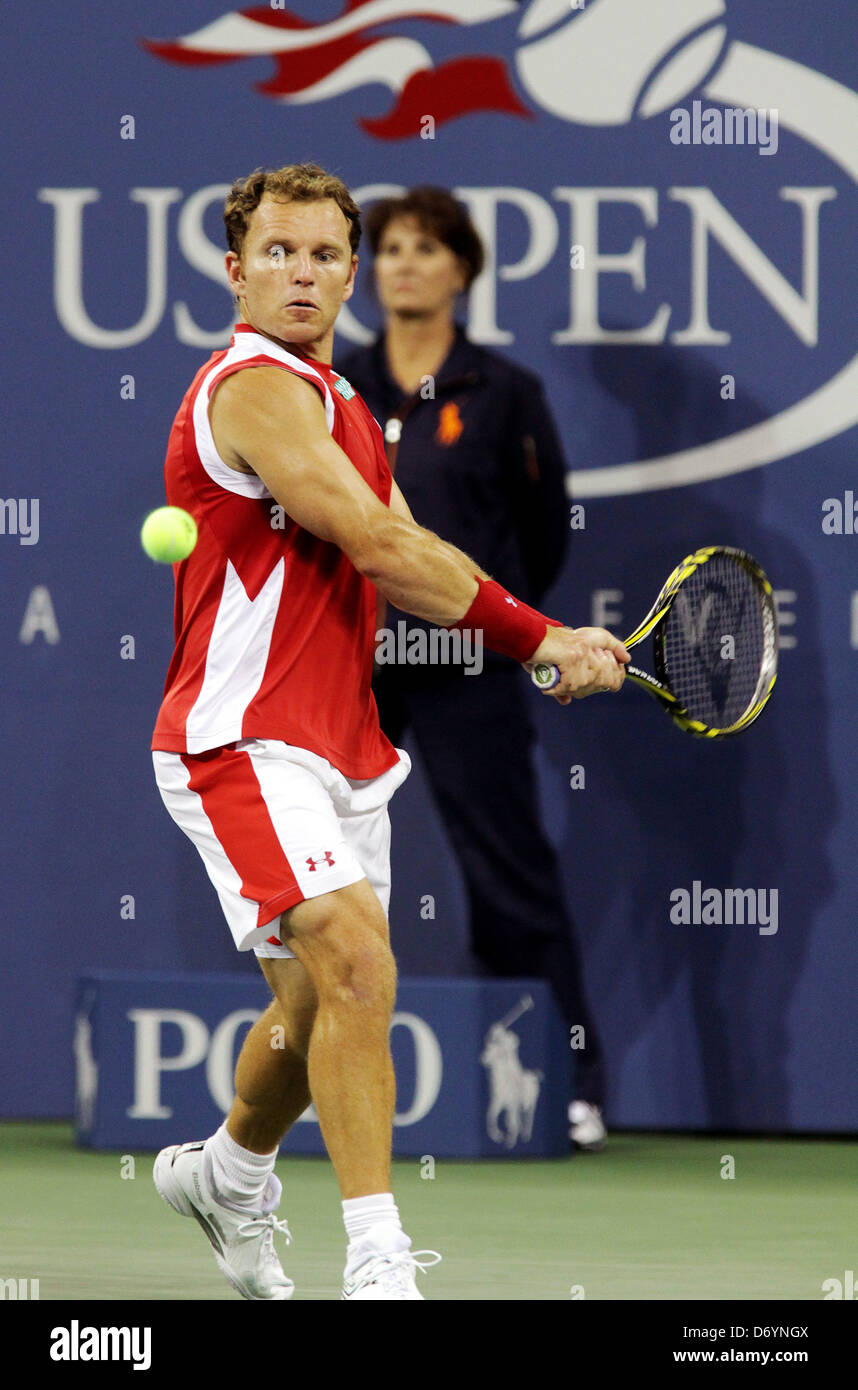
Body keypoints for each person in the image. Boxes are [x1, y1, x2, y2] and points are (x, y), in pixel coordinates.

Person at [149, 162, 628, 1302]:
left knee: (319, 1001)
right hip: (240, 740)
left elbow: (421, 560)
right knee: (363, 959)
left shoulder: (352, 407)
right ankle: (375, 1260)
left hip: (343, 749)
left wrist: (548, 631)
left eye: (323, 255)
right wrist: (536, 639)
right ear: (236, 271)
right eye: (277, 252)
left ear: (349, 273)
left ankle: (226, 1171)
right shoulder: (253, 388)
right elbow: (374, 543)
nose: (301, 273)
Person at [337, 187, 609, 1150]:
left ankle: (566, 1085)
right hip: (351, 667)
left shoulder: (507, 393)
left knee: (508, 874)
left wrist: (499, 628)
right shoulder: (331, 385)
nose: (404, 263)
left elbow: (539, 538)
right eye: (391, 248)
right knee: (318, 872)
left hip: (467, 664)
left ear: (462, 271)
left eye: (427, 248)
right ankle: (307, 1079)